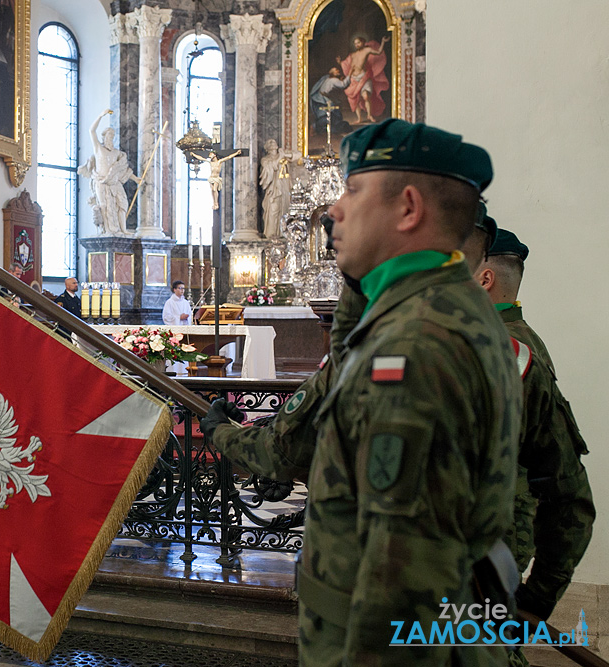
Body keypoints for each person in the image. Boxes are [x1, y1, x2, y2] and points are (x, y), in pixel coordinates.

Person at [200, 119, 521, 665]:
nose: (332, 210)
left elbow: (403, 575)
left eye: (352, 190)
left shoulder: (417, 344)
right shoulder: (438, 308)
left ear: (409, 208)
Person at [466, 225, 595, 623]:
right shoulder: (516, 337)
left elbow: (567, 493)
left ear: (484, 278)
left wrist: (536, 600)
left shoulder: (506, 351)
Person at [79, 109, 138, 236]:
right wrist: (101, 115)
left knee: (122, 204)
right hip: (101, 181)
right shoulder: (98, 148)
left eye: (113, 136)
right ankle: (107, 231)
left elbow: (122, 170)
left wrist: (136, 179)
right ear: (104, 137)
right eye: (109, 136)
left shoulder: (117, 153)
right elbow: (91, 131)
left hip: (114, 183)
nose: (111, 138)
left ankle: (123, 230)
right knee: (104, 206)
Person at [336, 35, 390, 124]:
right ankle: (359, 118)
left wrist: (383, 41)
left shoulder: (366, 50)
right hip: (354, 78)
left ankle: (369, 115)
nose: (357, 45)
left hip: (364, 76)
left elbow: (379, 52)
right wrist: (341, 64)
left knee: (365, 96)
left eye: (358, 42)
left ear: (363, 42)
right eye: (355, 43)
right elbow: (350, 66)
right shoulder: (352, 55)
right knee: (355, 99)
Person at [259, 139, 291, 238]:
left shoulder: (282, 154)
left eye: (274, 141)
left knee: (284, 209)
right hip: (273, 189)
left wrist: (285, 155)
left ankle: (283, 233)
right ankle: (271, 235)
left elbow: (298, 155)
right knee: (273, 210)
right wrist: (280, 157)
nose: (273, 143)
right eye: (270, 142)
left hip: (284, 187)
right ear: (267, 148)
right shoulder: (265, 159)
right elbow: (271, 167)